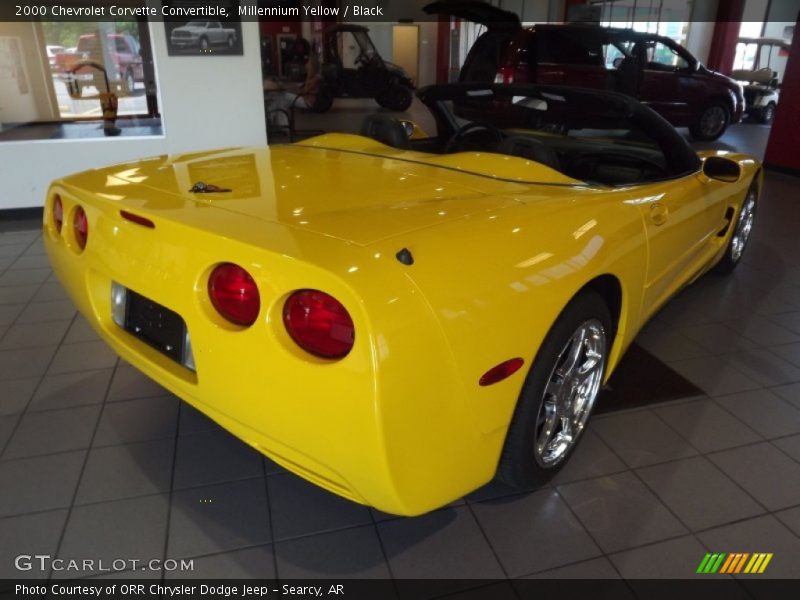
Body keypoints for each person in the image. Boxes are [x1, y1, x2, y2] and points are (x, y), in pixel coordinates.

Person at [268, 53, 322, 127]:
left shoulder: (316, 78)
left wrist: (308, 75)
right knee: (280, 99)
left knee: (282, 97)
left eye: (308, 64)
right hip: (304, 98)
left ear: (312, 67)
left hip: (308, 101)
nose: (306, 66)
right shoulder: (314, 77)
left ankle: (272, 118)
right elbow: (301, 91)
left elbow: (305, 90)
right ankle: (279, 122)